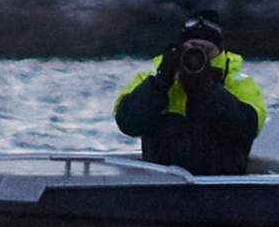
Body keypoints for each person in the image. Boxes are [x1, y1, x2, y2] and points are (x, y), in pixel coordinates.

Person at [114, 10, 268, 176]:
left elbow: (248, 128)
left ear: (219, 51)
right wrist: (161, 82)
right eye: (192, 49)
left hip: (219, 187)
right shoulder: (154, 77)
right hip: (162, 184)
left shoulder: (238, 82)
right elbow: (128, 123)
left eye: (206, 51)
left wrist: (207, 89)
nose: (197, 57)